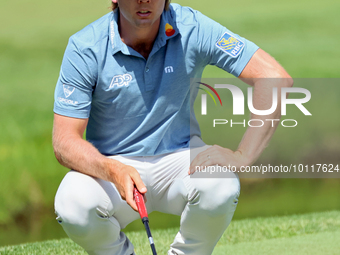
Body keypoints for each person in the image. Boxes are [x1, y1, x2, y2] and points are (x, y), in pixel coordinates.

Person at [53, 0, 292, 254]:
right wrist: (112, 169)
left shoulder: (193, 27)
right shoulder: (85, 46)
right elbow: (64, 141)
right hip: (113, 167)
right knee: (72, 204)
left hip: (180, 159)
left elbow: (275, 78)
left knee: (221, 184)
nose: (144, 0)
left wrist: (243, 156)